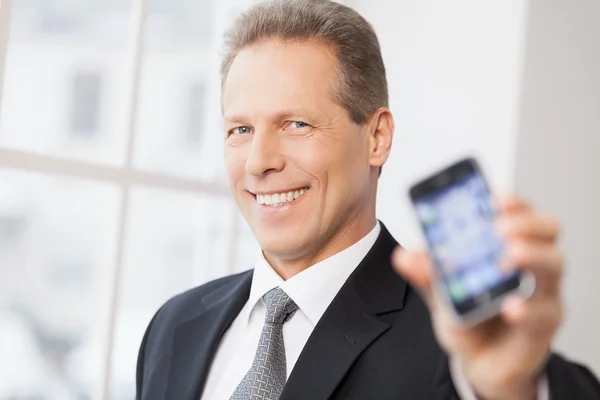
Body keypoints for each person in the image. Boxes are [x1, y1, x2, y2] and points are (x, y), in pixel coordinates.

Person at [135, 1, 600, 399]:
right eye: (240, 129)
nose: (259, 162)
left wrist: (514, 388)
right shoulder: (174, 326)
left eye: (297, 124)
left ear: (377, 137)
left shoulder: (459, 344)